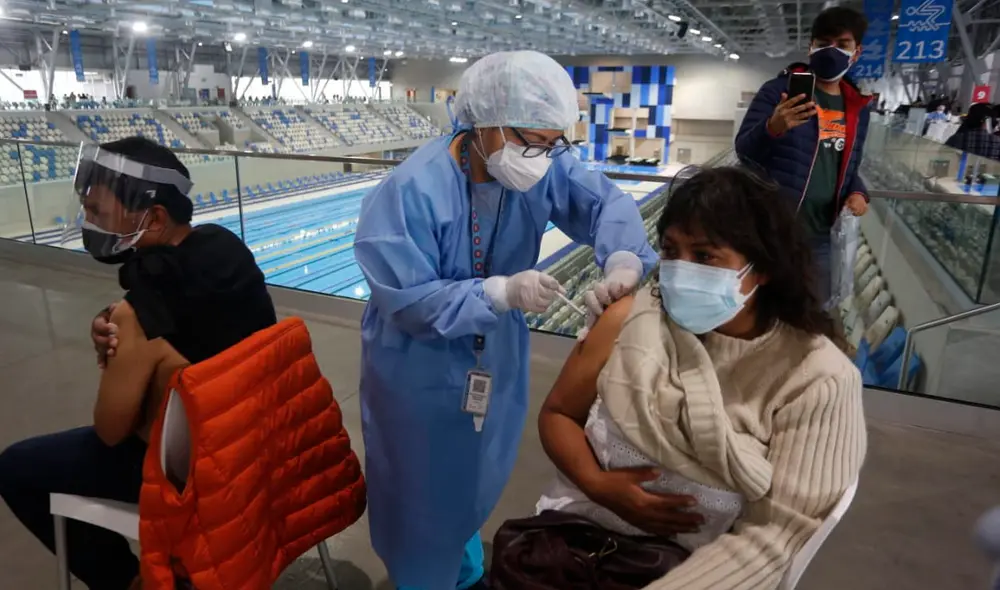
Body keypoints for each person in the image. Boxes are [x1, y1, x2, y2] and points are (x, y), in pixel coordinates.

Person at [353, 50, 658, 590]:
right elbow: (407, 299)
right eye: (531, 141)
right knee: (419, 491)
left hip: (495, 350)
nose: (543, 155)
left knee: (473, 474)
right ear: (486, 122)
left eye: (552, 143)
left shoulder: (538, 163)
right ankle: (423, 577)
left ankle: (463, 560)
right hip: (417, 368)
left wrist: (623, 260)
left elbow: (601, 203)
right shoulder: (410, 191)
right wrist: (498, 291)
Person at [490, 167, 866, 590]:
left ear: (761, 269)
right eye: (670, 251)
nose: (680, 270)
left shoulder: (817, 377)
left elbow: (774, 538)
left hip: (699, 571)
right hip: (577, 546)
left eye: (705, 256)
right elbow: (559, 413)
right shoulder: (628, 320)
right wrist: (600, 485)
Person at [0, 137, 277, 590]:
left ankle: (126, 580)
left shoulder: (141, 313)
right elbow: (191, 315)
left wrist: (121, 348)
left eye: (97, 212)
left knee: (15, 468)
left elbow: (111, 429)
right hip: (258, 446)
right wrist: (120, 326)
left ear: (154, 218)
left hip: (199, 478)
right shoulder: (224, 247)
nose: (88, 221)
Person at [736, 6, 872, 304]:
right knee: (759, 310)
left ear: (856, 52)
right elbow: (744, 152)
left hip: (822, 235)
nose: (831, 51)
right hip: (771, 232)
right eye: (823, 43)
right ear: (811, 47)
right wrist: (772, 126)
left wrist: (859, 191)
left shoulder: (858, 108)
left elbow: (845, 165)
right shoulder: (776, 92)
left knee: (813, 312)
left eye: (842, 44)